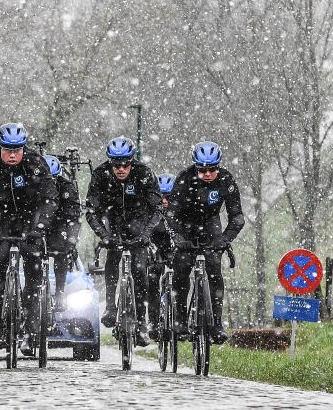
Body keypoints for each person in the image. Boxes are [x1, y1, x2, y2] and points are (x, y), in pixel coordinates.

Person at [0, 123, 58, 356]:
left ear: (24, 148)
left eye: (17, 149)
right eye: (7, 150)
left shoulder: (36, 162)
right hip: (3, 216)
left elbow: (50, 199)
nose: (13, 154)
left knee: (34, 269)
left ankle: (31, 323)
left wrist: (40, 227)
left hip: (31, 217)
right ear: (0, 148)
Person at [85, 136, 161, 347]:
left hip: (138, 224)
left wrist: (147, 234)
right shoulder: (100, 175)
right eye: (116, 164)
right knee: (113, 258)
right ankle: (110, 306)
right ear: (110, 162)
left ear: (131, 161)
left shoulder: (144, 174)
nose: (120, 168)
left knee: (140, 269)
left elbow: (157, 209)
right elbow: (91, 212)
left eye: (125, 164)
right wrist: (104, 235)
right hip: (113, 222)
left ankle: (142, 322)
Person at [164, 141, 244, 344]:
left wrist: (225, 239)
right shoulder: (184, 178)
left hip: (210, 224)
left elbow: (237, 217)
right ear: (195, 167)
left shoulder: (226, 179)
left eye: (212, 169)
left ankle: (216, 323)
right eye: (202, 170)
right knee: (181, 269)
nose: (207, 174)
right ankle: (181, 319)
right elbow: (170, 215)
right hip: (185, 224)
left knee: (215, 270)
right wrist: (178, 238)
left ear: (218, 167)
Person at [43, 154, 82, 312]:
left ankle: (60, 292)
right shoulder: (30, 186)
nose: (49, 183)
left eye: (52, 179)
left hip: (59, 225)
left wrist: (71, 239)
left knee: (62, 250)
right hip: (36, 224)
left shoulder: (67, 188)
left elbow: (74, 216)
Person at [146, 173, 175, 340]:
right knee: (152, 277)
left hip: (172, 249)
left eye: (168, 197)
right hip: (155, 250)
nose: (164, 201)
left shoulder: (179, 211)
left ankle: (179, 318)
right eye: (161, 197)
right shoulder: (151, 212)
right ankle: (154, 321)